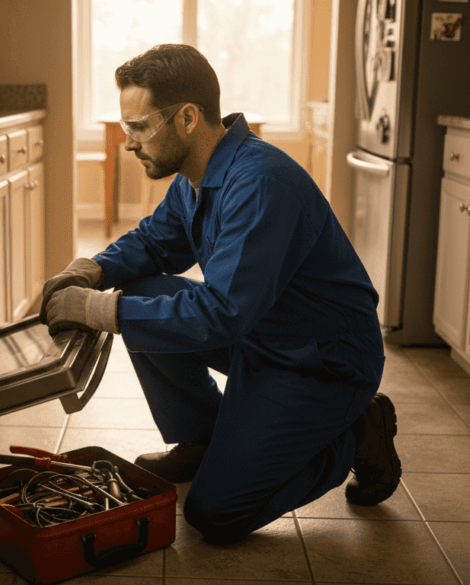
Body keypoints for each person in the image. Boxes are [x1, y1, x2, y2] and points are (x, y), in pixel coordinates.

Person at [41, 44, 400, 545]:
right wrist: (90, 270)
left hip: (321, 360)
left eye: (139, 127)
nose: (129, 143)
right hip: (264, 333)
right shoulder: (198, 175)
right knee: (142, 287)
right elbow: (154, 242)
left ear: (187, 118)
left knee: (215, 513)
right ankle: (201, 439)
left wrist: (96, 309)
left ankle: (357, 432)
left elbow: (222, 314)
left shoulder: (261, 182)